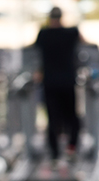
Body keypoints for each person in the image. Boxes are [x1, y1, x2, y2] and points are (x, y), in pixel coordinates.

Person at [34, 6, 83, 162]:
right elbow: (86, 43)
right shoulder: (71, 33)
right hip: (67, 81)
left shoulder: (43, 34)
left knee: (52, 118)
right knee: (72, 116)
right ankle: (71, 147)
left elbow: (33, 53)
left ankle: (55, 153)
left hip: (50, 82)